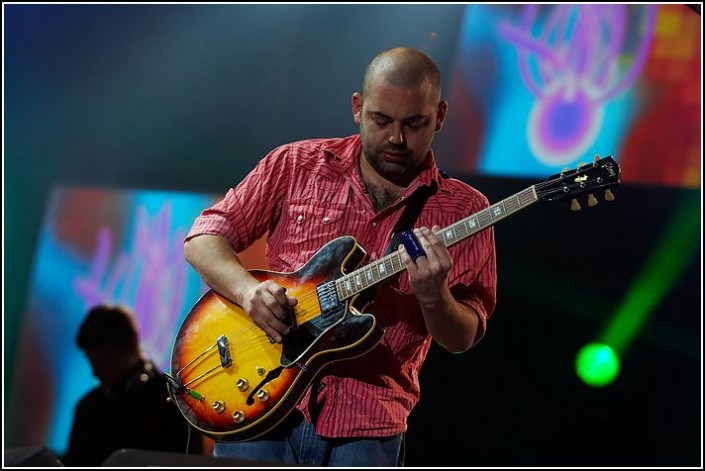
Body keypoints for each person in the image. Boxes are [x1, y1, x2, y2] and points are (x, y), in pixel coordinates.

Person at [183, 46, 496, 466]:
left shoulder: (466, 211)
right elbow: (204, 237)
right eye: (381, 120)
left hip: (367, 426)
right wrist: (246, 291)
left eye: (415, 124)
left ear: (439, 116)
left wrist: (434, 295)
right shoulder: (296, 164)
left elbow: (461, 338)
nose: (397, 139)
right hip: (258, 400)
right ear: (357, 107)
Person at [63, 304, 203, 466]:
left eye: (103, 361)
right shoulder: (87, 408)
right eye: (91, 362)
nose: (95, 372)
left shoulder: (173, 404)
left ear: (130, 346)